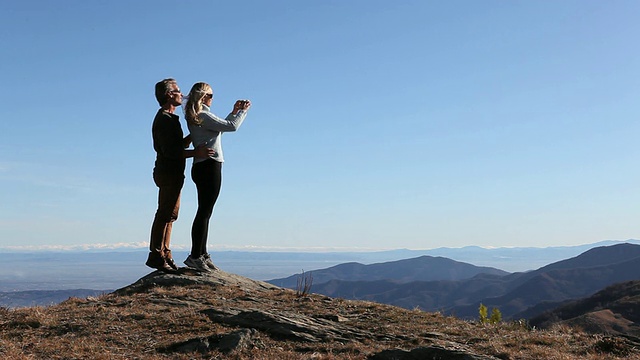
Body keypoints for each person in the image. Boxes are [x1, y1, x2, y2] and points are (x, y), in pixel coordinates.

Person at [146, 78, 214, 272]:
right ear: (169, 95)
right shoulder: (165, 120)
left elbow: (176, 146)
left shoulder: (170, 118)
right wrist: (196, 153)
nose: (181, 94)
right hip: (168, 171)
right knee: (165, 213)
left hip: (171, 172)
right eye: (177, 91)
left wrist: (194, 136)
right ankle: (157, 255)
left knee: (170, 214)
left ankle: (164, 253)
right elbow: (171, 151)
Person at [182, 82, 251, 272]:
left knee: (205, 211)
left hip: (201, 166)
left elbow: (220, 127)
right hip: (210, 166)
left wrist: (234, 110)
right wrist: (242, 112)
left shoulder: (197, 115)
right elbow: (232, 126)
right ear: (203, 97)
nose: (213, 99)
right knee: (204, 212)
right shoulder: (203, 115)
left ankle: (200, 254)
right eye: (211, 95)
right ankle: (196, 255)